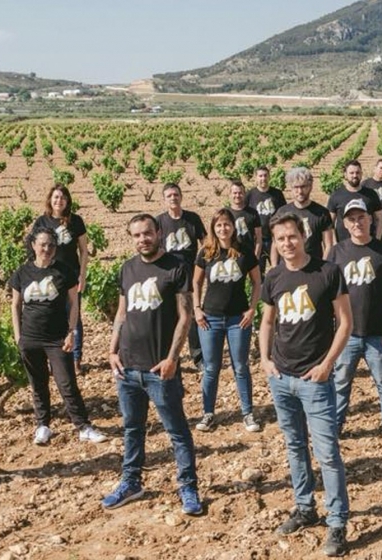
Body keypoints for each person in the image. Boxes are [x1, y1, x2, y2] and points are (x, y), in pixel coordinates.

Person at [259, 212, 352, 557]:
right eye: (280, 239)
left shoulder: (327, 272)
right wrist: (265, 360)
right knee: (295, 447)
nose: (287, 243)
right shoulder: (273, 276)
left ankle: (338, 522)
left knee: (327, 454)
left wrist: (327, 364)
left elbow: (345, 322)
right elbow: (267, 321)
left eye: (292, 236)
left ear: (304, 235)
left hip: (316, 379)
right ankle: (305, 507)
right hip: (282, 378)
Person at [102, 214, 201, 516]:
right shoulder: (127, 269)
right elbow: (122, 313)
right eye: (136, 235)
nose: (142, 239)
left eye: (147, 233)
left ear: (158, 233)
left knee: (177, 432)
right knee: (132, 429)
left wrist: (173, 358)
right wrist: (111, 351)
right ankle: (131, 482)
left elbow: (185, 317)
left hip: (160, 368)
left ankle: (188, 486)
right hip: (127, 368)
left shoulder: (176, 268)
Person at [10, 227, 107, 446]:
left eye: (51, 245)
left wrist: (71, 332)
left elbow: (74, 304)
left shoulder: (64, 272)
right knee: (38, 384)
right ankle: (43, 425)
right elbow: (15, 305)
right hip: (30, 337)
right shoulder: (21, 273)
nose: (46, 249)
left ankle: (83, 426)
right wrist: (18, 337)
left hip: (57, 338)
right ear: (33, 245)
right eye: (42, 244)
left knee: (67, 383)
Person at [328, 199, 382, 447]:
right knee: (340, 384)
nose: (357, 223)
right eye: (352, 219)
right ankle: (335, 428)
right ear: (345, 224)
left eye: (361, 217)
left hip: (377, 332)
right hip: (347, 334)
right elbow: (329, 291)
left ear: (370, 220)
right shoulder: (336, 252)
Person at [193, 208, 262, 433]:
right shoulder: (206, 252)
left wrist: (252, 309)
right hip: (210, 319)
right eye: (219, 225)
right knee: (211, 368)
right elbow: (196, 283)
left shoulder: (244, 251)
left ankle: (247, 412)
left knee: (241, 367)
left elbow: (257, 282)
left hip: (237, 319)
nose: (223, 229)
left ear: (233, 226)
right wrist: (197, 309)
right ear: (213, 228)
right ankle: (208, 413)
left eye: (227, 224)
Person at [31, 184, 88, 373]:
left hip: (71, 275)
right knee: (51, 316)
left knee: (74, 316)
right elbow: (32, 248)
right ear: (50, 199)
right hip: (48, 278)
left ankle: (75, 359)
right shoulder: (42, 222)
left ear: (67, 201)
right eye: (56, 197)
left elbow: (83, 250)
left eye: (63, 198)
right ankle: (52, 358)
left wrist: (83, 274)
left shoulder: (76, 221)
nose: (59, 201)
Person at [156, 183, 207, 367]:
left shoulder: (192, 219)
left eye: (176, 194)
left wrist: (203, 264)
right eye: (169, 195)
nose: (173, 198)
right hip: (167, 275)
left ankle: (198, 356)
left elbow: (206, 242)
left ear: (181, 196)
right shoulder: (159, 222)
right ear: (164, 199)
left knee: (192, 314)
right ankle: (170, 357)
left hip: (189, 274)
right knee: (169, 315)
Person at [273, 166, 334, 265]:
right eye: (296, 187)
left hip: (314, 267)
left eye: (303, 187)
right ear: (290, 188)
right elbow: (275, 244)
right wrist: (275, 267)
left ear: (310, 186)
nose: (300, 191)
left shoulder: (322, 213)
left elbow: (328, 245)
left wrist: (323, 267)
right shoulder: (282, 212)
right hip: (287, 267)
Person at [326, 160, 382, 243]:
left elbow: (380, 219)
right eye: (351, 173)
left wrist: (377, 240)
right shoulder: (336, 196)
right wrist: (335, 244)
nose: (355, 175)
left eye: (357, 172)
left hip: (368, 245)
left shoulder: (371, 194)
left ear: (361, 174)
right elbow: (329, 223)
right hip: (343, 246)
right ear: (345, 175)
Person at [245, 166, 287, 273]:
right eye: (260, 176)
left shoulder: (277, 194)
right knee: (258, 271)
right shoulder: (250, 195)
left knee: (279, 269)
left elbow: (284, 214)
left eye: (265, 175)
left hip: (275, 239)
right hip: (257, 241)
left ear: (269, 177)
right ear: (256, 178)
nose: (263, 178)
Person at [226, 180, 262, 260]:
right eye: (235, 193)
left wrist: (256, 255)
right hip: (230, 255)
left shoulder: (253, 213)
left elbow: (258, 237)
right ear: (230, 194)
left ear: (244, 194)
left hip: (249, 255)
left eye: (240, 193)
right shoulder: (225, 213)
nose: (237, 195)